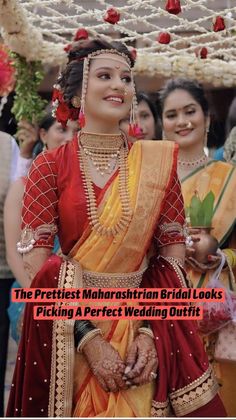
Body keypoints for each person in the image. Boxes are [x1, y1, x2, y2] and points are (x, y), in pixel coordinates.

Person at [7, 40, 225, 418]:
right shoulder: (50, 166)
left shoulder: (158, 162)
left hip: (141, 326)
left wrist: (150, 334)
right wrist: (88, 339)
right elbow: (38, 270)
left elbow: (171, 255)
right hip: (72, 334)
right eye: (105, 76)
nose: (120, 86)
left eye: (126, 78)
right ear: (75, 95)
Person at [160, 77, 236, 416]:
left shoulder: (230, 178)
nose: (182, 121)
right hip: (161, 315)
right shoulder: (150, 178)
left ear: (206, 116)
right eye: (172, 114)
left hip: (216, 321)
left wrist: (220, 255)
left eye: (190, 111)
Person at [4, 114, 76, 343]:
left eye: (77, 132)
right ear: (43, 135)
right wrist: (40, 298)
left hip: (78, 293)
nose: (69, 138)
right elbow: (14, 252)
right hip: (32, 292)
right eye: (62, 130)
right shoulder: (23, 186)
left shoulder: (84, 187)